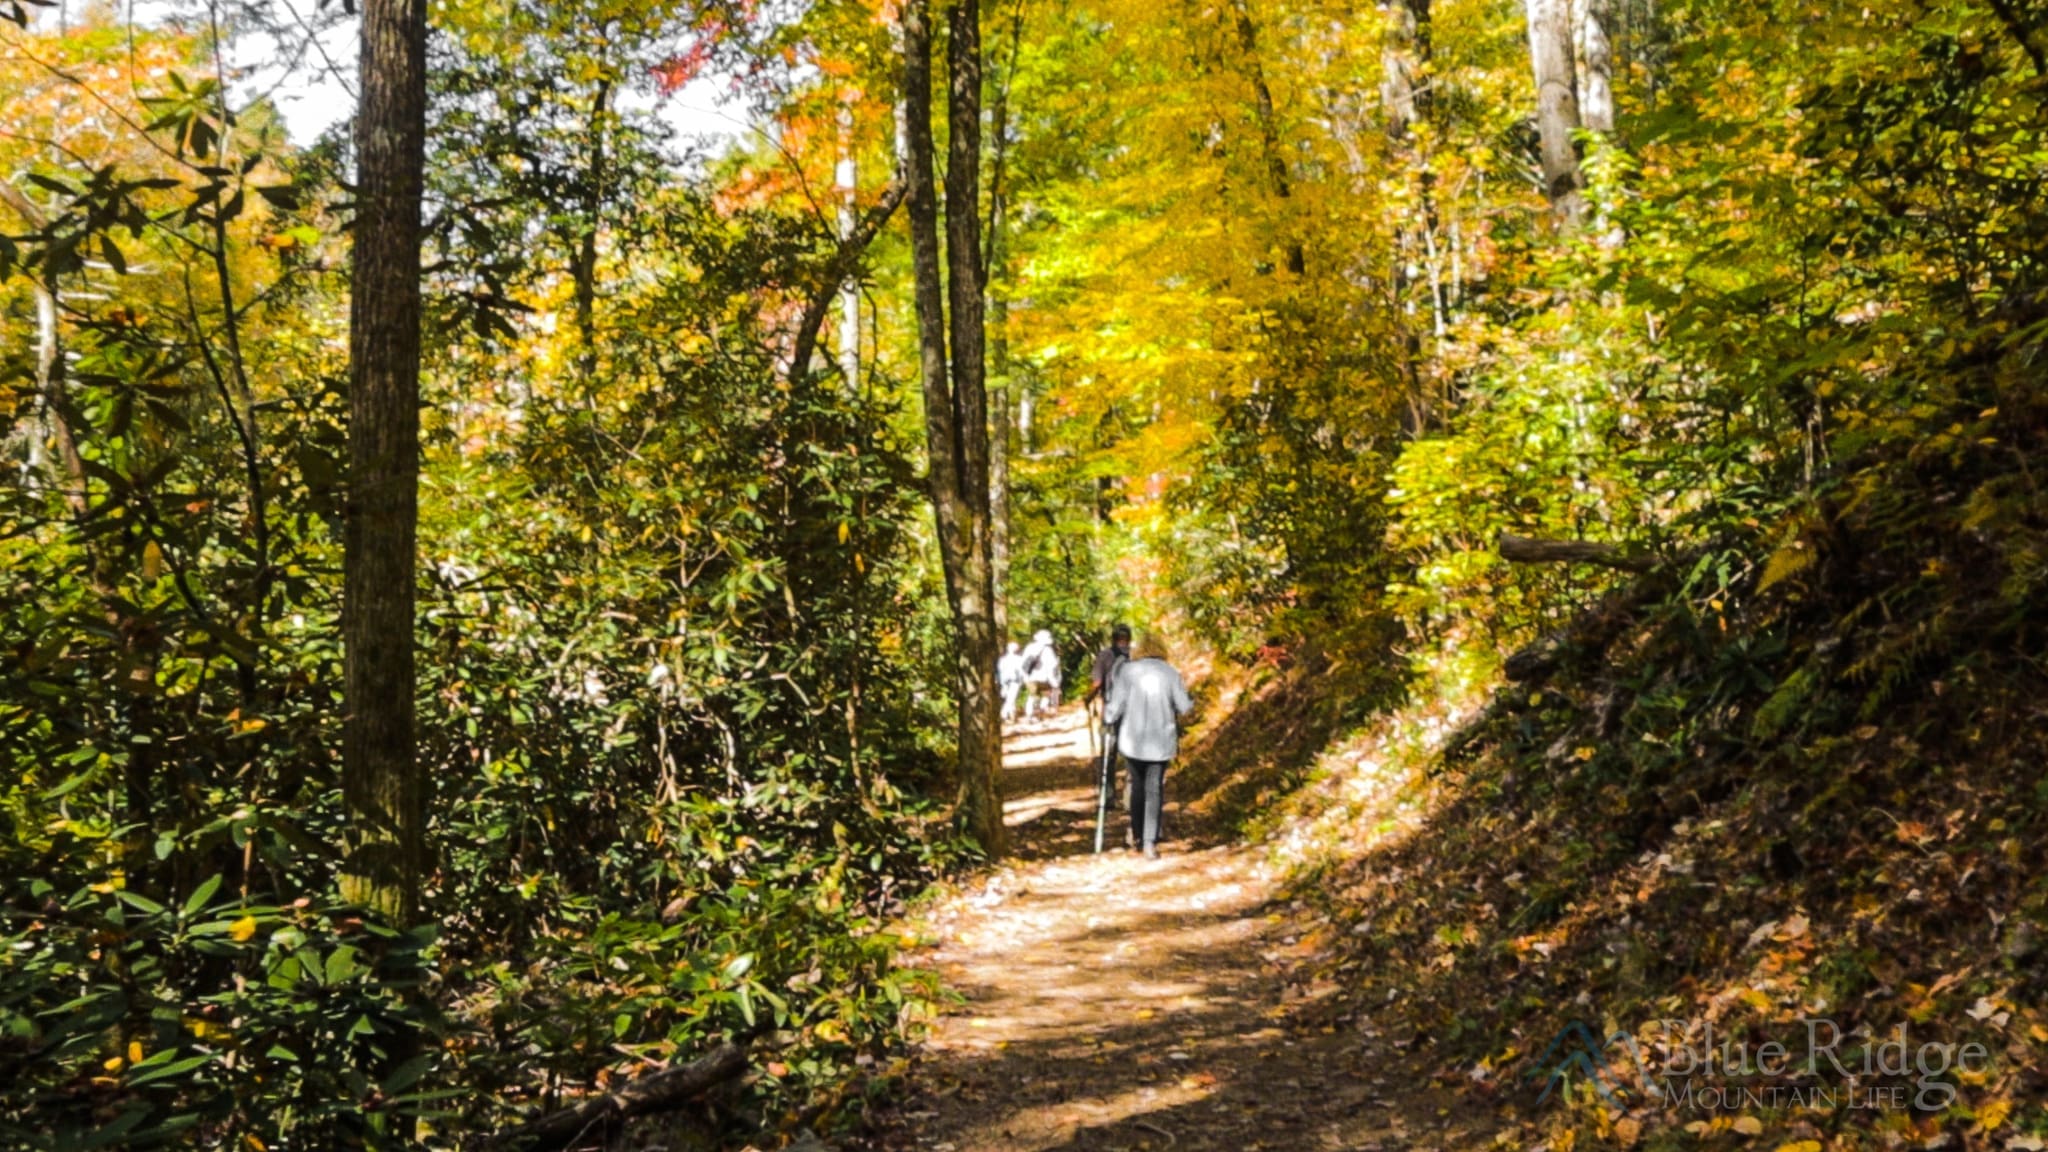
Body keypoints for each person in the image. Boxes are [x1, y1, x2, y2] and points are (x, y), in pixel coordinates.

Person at [1103, 634, 1192, 859]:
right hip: (1160, 739)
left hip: (1132, 739)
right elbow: (1184, 706)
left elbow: (1116, 705)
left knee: (1136, 787)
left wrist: (1108, 718)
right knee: (1155, 789)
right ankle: (1151, 841)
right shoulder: (1170, 672)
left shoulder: (1128, 672)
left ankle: (1138, 836)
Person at [1020, 629, 1060, 719]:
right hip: (1044, 677)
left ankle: (1029, 714)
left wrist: (1024, 676)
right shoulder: (1048, 650)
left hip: (1030, 677)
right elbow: (1052, 665)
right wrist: (1053, 680)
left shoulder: (1029, 647)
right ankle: (1041, 712)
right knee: (1046, 694)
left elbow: (1023, 663)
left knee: (1032, 696)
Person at [997, 641, 1026, 723]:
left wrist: (999, 681)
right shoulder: (1019, 659)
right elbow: (1022, 671)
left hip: (1004, 681)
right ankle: (1003, 715)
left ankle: (1012, 716)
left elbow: (999, 671)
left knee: (1010, 698)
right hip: (1014, 681)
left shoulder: (1002, 659)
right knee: (1011, 699)